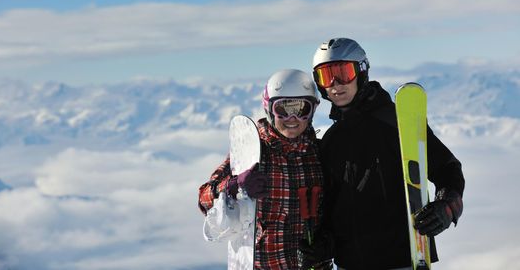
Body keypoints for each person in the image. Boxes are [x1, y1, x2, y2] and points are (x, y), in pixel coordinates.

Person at [308, 38, 465, 270]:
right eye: (325, 76)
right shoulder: (331, 141)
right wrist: (324, 242)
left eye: (343, 72)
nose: (335, 84)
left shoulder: (396, 123)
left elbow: (448, 168)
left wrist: (447, 207)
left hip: (401, 259)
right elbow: (332, 203)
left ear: (361, 72)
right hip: (349, 263)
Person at [198, 69, 333, 270]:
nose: (292, 118)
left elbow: (337, 209)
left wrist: (328, 244)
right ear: (269, 108)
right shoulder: (253, 153)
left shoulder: (318, 153)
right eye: (283, 109)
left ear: (313, 110)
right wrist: (234, 186)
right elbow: (204, 199)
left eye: (301, 108)